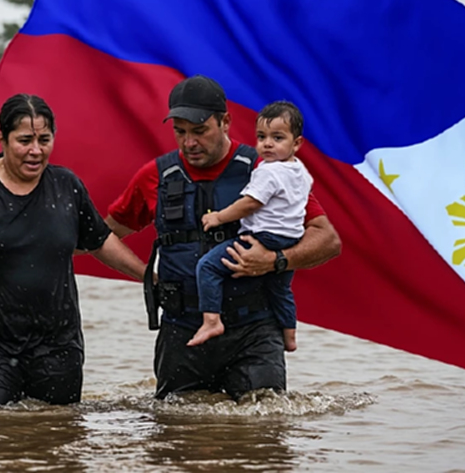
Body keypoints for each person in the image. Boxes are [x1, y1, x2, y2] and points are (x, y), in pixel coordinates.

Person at [105, 75, 341, 400]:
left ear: (226, 122)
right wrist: (148, 275)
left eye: (200, 131)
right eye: (180, 132)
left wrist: (275, 261)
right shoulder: (155, 176)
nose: (189, 142)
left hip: (253, 331)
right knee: (177, 426)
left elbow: (327, 239)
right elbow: (102, 236)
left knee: (264, 422)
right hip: (182, 331)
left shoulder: (267, 170)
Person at [0, 94, 146, 407]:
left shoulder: (67, 186)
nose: (36, 150)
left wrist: (148, 276)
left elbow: (100, 241)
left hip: (57, 342)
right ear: (2, 138)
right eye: (25, 140)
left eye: (44, 140)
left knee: (57, 426)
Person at [188, 100, 313, 350]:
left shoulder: (269, 171)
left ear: (297, 143)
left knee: (207, 267)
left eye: (277, 138)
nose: (267, 144)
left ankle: (211, 321)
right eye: (262, 137)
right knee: (280, 290)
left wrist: (219, 217)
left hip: (264, 237)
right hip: (290, 239)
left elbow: (250, 204)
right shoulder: (300, 171)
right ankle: (290, 336)